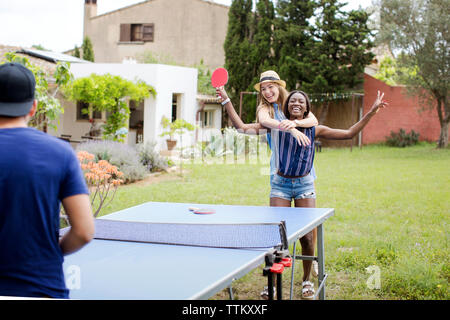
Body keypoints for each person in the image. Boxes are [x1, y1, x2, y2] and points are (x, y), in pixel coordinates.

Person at [216, 74, 388, 299]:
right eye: (293, 101)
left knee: (307, 238)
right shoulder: (274, 127)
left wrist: (372, 111)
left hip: (305, 184)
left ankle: (306, 280)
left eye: (301, 102)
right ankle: (273, 284)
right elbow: (240, 127)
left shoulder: (315, 128)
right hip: (280, 184)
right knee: (276, 237)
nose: (296, 103)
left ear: (306, 109)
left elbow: (349, 133)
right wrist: (226, 100)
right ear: (286, 107)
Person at [0, 62, 95, 298]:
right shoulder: (60, 153)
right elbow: (84, 231)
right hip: (41, 287)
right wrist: (53, 252)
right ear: (33, 107)